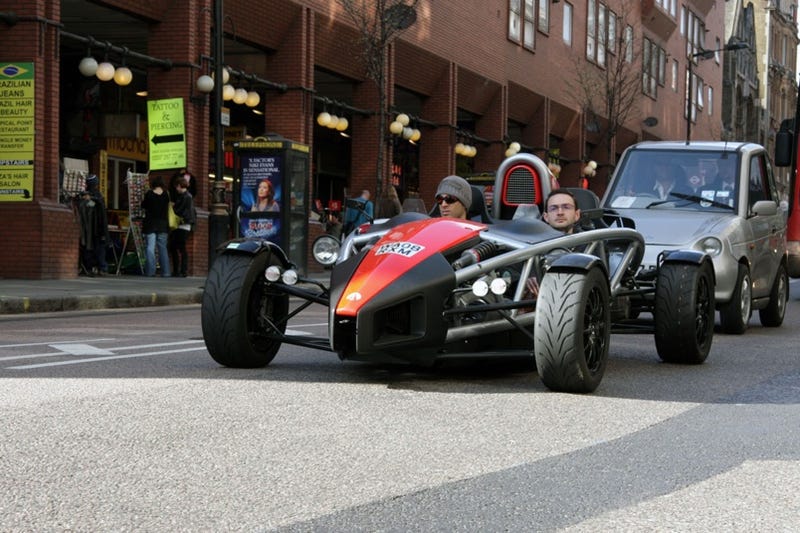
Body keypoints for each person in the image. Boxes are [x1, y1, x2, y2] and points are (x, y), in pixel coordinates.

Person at [78, 174, 110, 276]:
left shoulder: (93, 197)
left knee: (92, 249)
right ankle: (100, 268)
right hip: (95, 228)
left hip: (91, 229)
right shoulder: (94, 196)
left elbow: (96, 205)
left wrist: (90, 198)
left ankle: (94, 267)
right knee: (98, 249)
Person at [141, 175, 171, 277]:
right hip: (163, 224)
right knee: (162, 248)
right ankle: (166, 272)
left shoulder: (149, 194)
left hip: (150, 224)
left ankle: (150, 271)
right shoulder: (166, 195)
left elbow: (143, 205)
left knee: (150, 247)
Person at [168, 177, 196, 277]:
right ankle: (180, 270)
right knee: (178, 248)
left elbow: (179, 210)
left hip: (182, 225)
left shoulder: (185, 197)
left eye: (177, 186)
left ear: (180, 186)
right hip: (184, 225)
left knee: (177, 248)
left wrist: (172, 206)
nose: (176, 189)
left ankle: (180, 271)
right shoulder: (187, 196)